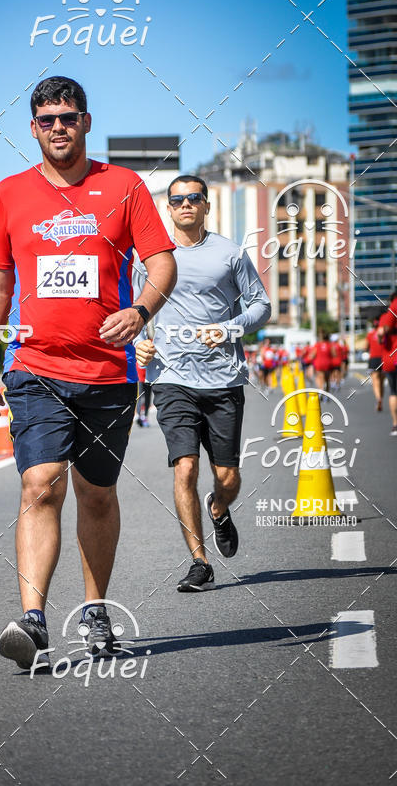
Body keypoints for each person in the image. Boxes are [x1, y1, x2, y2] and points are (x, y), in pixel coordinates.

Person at [0, 76, 177, 668]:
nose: (58, 127)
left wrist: (140, 310)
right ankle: (33, 622)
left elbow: (162, 264)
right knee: (41, 485)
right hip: (34, 367)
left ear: (86, 122)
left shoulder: (124, 186)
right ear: (33, 128)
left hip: (108, 373)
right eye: (47, 119)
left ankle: (95, 609)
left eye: (69, 117)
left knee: (97, 493)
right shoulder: (10, 194)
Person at [135, 175, 271, 592]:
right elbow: (135, 308)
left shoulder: (230, 254)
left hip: (223, 378)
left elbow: (261, 305)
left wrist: (230, 328)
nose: (185, 205)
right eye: (177, 200)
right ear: (169, 208)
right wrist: (139, 343)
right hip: (171, 377)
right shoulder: (151, 257)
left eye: (194, 198)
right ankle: (199, 562)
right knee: (185, 468)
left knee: (227, 476)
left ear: (206, 205)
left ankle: (219, 508)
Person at [378, 291, 397, 435]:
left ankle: (395, 424)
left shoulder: (387, 315)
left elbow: (380, 333)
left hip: (391, 359)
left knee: (393, 392)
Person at [366, 317, 385, 412]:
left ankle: (378, 398)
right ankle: (381, 397)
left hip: (374, 359)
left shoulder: (370, 334)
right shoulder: (384, 334)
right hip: (384, 358)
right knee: (381, 381)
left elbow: (366, 347)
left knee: (375, 381)